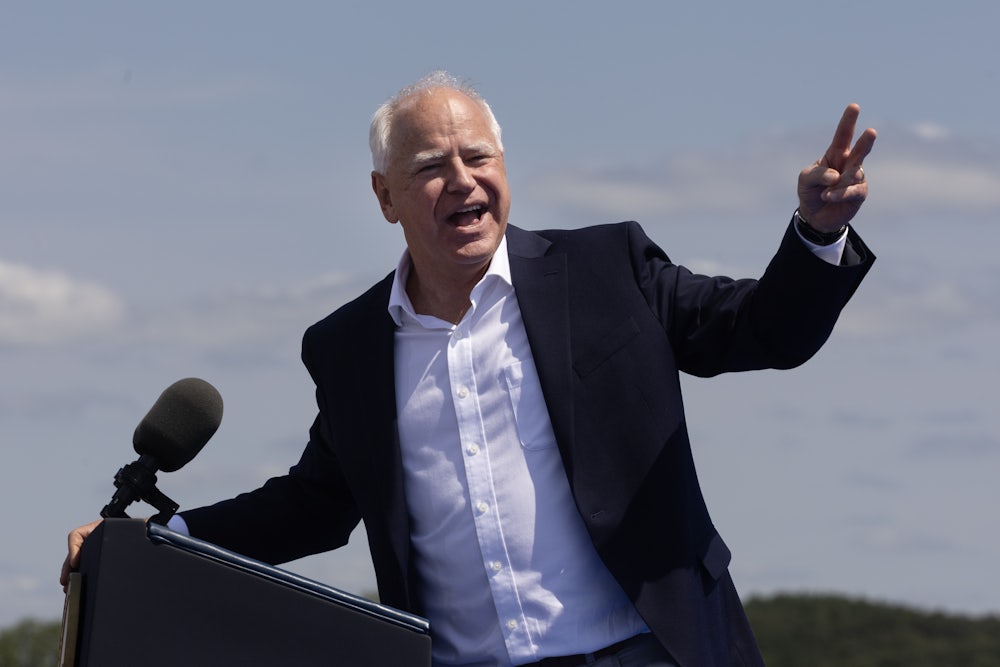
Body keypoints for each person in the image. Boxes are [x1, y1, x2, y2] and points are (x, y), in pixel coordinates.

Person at [62, 71, 876, 666]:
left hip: (648, 651)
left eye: (477, 156)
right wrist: (157, 538)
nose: (463, 181)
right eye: (430, 168)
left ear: (505, 170)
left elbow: (763, 331)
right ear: (386, 197)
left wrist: (814, 235)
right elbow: (314, 506)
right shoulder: (348, 346)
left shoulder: (606, 270)